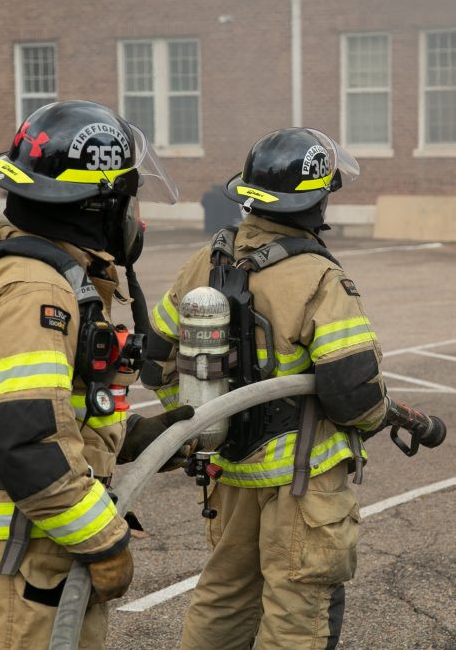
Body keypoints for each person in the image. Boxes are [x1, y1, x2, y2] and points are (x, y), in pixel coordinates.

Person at [0, 100, 184, 649]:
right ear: (97, 202)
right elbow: (26, 441)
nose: (131, 215)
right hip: (21, 549)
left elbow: (47, 408)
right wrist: (105, 541)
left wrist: (144, 438)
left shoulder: (45, 274)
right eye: (125, 198)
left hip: (34, 543)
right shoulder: (36, 290)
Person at [142, 128, 388, 650]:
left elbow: (155, 361)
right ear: (317, 199)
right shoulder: (318, 277)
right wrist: (379, 417)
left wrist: (198, 425)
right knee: (296, 614)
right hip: (302, 487)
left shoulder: (205, 263)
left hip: (229, 475)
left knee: (224, 600)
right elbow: (355, 396)